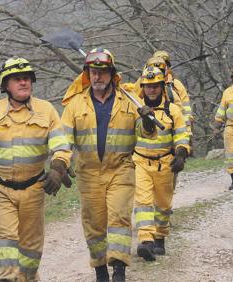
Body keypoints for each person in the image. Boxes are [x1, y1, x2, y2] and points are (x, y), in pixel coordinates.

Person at [0, 56, 73, 281]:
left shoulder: (46, 111)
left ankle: (27, 277)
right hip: (0, 190)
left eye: (26, 78)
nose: (23, 83)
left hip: (34, 190)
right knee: (5, 242)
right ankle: (6, 277)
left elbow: (61, 146)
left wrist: (57, 167)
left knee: (31, 250)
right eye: (17, 79)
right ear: (6, 85)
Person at [61, 47, 155, 282]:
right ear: (87, 73)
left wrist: (148, 120)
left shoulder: (130, 100)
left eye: (102, 72)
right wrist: (60, 163)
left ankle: (119, 270)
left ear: (112, 74)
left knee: (119, 218)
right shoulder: (75, 104)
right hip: (88, 173)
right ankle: (100, 270)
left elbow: (147, 134)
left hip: (121, 169)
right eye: (93, 71)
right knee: (94, 225)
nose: (97, 77)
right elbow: (63, 139)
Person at [132, 66, 190, 261]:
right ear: (143, 87)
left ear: (162, 87)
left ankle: (160, 237)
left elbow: (182, 136)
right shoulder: (136, 109)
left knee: (163, 206)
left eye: (155, 86)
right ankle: (146, 241)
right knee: (143, 202)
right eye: (148, 86)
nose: (152, 90)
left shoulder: (173, 110)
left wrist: (181, 153)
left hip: (165, 164)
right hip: (140, 162)